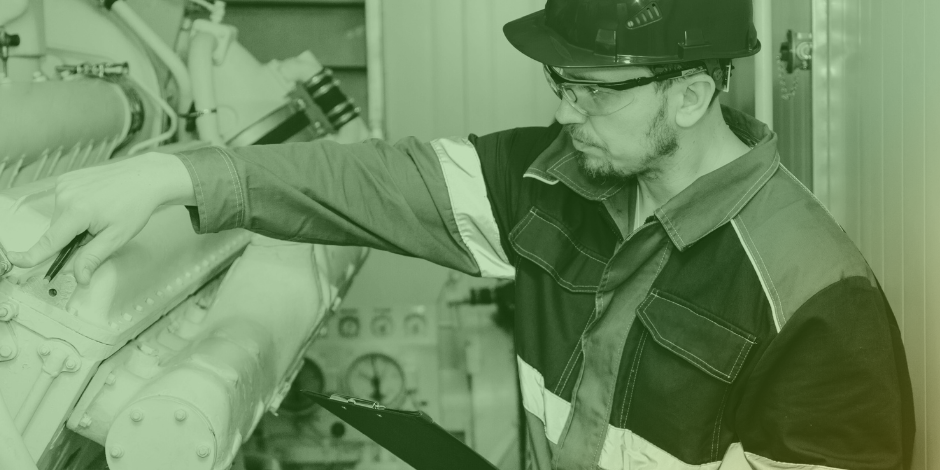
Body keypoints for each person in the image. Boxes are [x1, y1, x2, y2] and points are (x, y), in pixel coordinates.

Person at [8, 0, 914, 468]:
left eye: (589, 89)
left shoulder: (820, 298)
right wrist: (170, 174)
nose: (564, 111)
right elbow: (370, 183)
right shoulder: (553, 181)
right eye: (559, 83)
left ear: (688, 92)